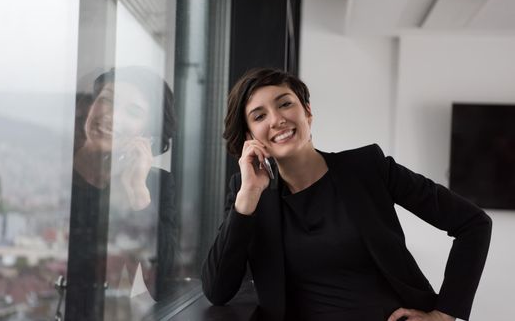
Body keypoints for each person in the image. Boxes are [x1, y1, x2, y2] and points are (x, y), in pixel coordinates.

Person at [201, 68, 492, 321]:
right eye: (259, 115)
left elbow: (473, 223)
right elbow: (218, 290)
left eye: (285, 104)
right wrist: (248, 196)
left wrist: (445, 312)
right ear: (250, 136)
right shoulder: (248, 192)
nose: (276, 119)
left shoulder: (367, 167)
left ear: (308, 112)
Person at [66, 67, 177, 320]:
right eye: (106, 99)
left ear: (147, 135)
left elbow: (163, 278)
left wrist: (138, 192)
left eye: (133, 112)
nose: (112, 116)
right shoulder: (57, 174)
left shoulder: (156, 184)